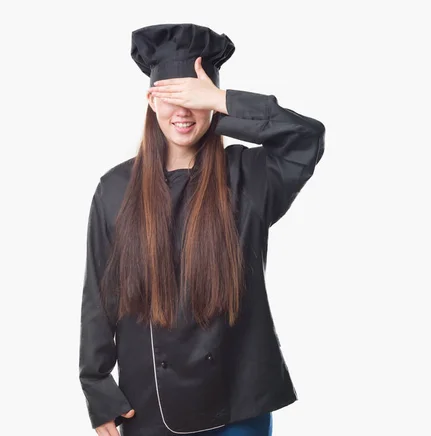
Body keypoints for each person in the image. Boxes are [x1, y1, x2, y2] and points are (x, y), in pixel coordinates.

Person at [78, 23, 325, 436]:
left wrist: (221, 100)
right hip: (150, 403)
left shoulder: (249, 176)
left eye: (194, 97)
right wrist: (97, 386)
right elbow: (100, 296)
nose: (182, 110)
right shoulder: (115, 189)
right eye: (171, 96)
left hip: (237, 400)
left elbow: (306, 138)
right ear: (151, 100)